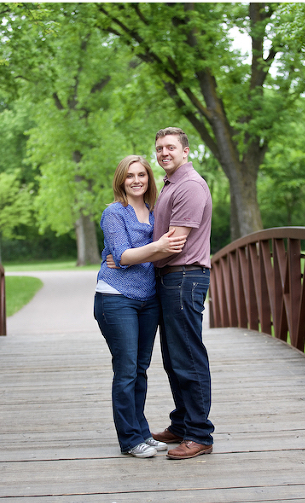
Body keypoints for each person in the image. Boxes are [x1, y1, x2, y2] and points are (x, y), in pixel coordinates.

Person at [108, 128, 214, 460]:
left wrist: (127, 257)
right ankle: (182, 424)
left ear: (186, 151)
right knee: (173, 358)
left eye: (170, 147)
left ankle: (199, 433)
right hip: (168, 280)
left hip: (185, 278)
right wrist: (126, 253)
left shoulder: (190, 186)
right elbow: (156, 242)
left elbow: (173, 244)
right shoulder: (171, 185)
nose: (164, 152)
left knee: (188, 357)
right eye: (159, 148)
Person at [94, 154, 187, 458]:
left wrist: (136, 254)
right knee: (126, 370)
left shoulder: (155, 211)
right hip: (116, 297)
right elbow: (121, 256)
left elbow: (133, 255)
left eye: (142, 175)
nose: (136, 181)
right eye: (129, 176)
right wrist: (152, 249)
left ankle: (142, 432)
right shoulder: (114, 213)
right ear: (121, 180)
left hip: (148, 299)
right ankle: (130, 439)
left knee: (141, 369)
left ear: (149, 178)